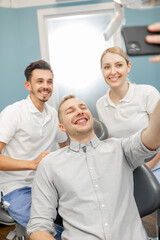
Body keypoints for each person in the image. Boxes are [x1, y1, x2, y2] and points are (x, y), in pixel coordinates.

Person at [27, 95, 160, 240]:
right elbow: (39, 226)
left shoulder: (120, 148)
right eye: (70, 111)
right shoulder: (49, 165)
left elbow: (152, 136)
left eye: (83, 108)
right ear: (62, 127)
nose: (79, 111)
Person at [0, 60, 68, 236]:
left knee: (78, 217)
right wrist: (33, 164)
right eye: (40, 81)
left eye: (49, 81)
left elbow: (64, 147)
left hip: (46, 183)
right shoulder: (13, 113)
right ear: (28, 85)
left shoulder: (53, 114)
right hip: (16, 186)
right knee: (47, 232)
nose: (45, 86)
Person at [96, 46, 160, 181]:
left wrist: (147, 168)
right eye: (107, 67)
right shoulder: (101, 104)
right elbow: (110, 143)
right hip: (125, 174)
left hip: (155, 169)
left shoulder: (147, 93)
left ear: (128, 67)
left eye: (118, 65)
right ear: (102, 70)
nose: (113, 72)